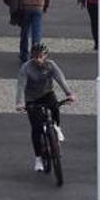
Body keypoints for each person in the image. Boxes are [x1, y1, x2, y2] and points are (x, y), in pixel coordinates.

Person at [15, 43, 75, 173]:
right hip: (32, 98)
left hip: (47, 93)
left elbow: (60, 79)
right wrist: (20, 103)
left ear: (46, 56)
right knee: (36, 129)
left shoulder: (51, 65)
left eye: (41, 56)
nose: (38, 59)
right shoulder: (26, 68)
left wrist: (69, 94)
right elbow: (21, 85)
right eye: (35, 57)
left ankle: (57, 127)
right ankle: (38, 159)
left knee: (55, 107)